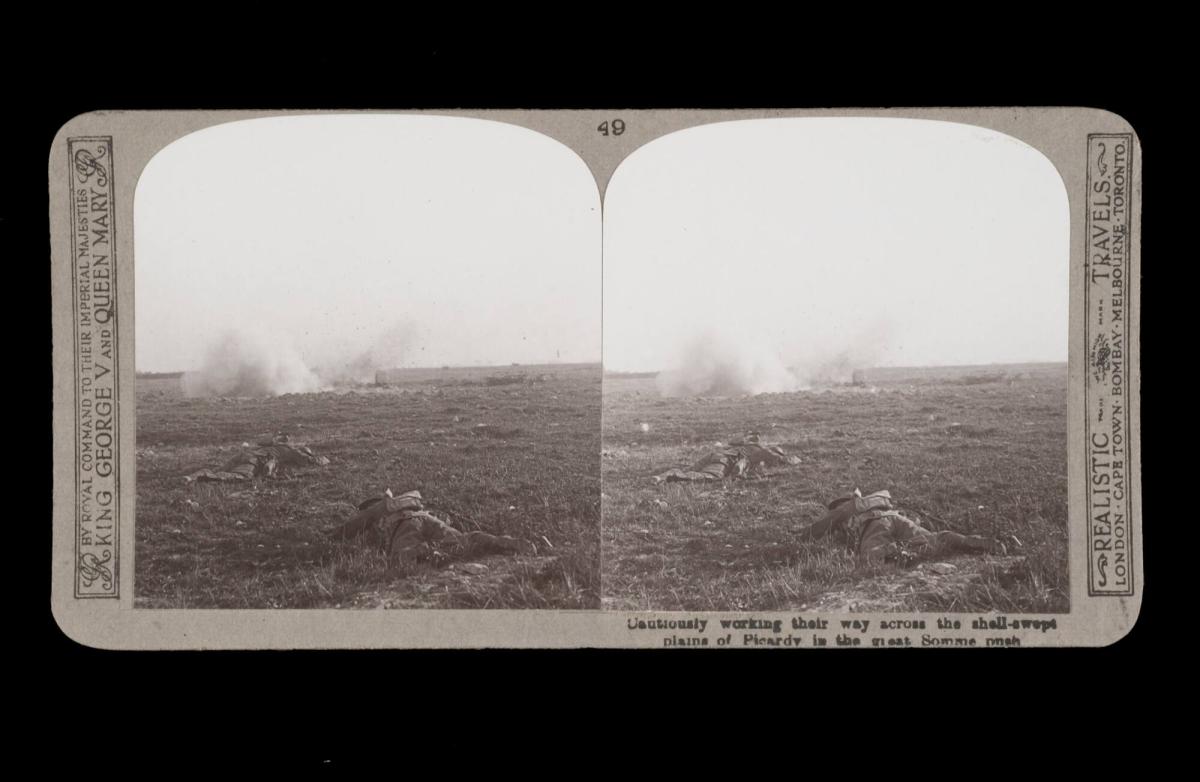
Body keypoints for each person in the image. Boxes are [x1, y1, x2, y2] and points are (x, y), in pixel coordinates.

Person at [796, 489, 1002, 564]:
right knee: (936, 538)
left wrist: (801, 538)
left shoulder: (847, 509)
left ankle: (900, 551)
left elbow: (823, 525)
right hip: (897, 518)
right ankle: (968, 540)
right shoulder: (878, 502)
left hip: (875, 525)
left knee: (869, 556)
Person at [328, 489, 530, 562]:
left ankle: (429, 552)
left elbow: (353, 526)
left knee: (401, 556)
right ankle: (502, 541)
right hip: (428, 519)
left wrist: (330, 538)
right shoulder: (413, 504)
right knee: (463, 539)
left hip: (405, 526)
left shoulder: (378, 509)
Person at [652, 433, 801, 483]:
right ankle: (672, 475)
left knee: (689, 469)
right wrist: (736, 476)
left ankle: (661, 477)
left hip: (715, 454)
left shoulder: (743, 443)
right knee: (710, 476)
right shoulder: (762, 451)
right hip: (724, 460)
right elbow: (742, 464)